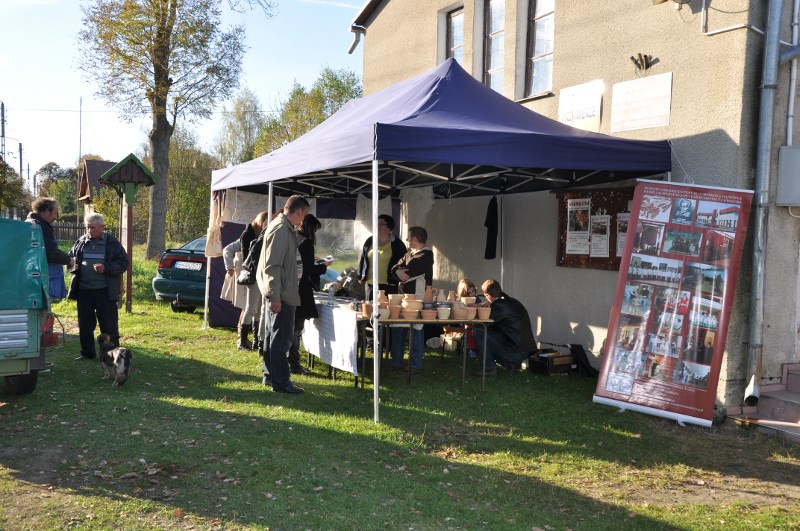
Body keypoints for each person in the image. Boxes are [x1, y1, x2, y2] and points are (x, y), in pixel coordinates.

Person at [257, 195, 310, 394]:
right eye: (303, 215)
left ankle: (270, 375)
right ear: (298, 212)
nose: (302, 220)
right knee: (281, 339)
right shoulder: (281, 229)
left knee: (273, 337)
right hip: (282, 294)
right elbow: (273, 266)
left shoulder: (280, 226)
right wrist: (275, 296)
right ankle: (281, 381)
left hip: (280, 292)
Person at [67, 212, 128, 360]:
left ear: (101, 227)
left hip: (105, 291)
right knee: (85, 325)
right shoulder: (81, 241)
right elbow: (69, 260)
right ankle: (87, 354)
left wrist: (106, 268)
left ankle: (112, 355)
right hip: (84, 291)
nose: (89, 231)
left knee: (109, 325)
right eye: (87, 228)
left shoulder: (112, 243)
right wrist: (73, 266)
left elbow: (123, 263)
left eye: (93, 228)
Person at [289, 213, 331, 375]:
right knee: (296, 328)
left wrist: (315, 262)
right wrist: (323, 266)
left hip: (292, 286)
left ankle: (291, 361)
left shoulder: (294, 237)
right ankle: (294, 363)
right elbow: (308, 269)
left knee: (292, 326)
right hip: (301, 289)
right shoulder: (305, 242)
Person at [389, 226, 434, 373]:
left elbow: (409, 271)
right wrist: (397, 271)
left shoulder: (426, 256)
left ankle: (416, 365)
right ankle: (396, 362)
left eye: (409, 237)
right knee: (399, 328)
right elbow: (395, 266)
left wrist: (400, 271)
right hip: (404, 297)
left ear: (415, 239)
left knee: (416, 329)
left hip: (417, 298)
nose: (407, 240)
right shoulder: (409, 254)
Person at [473, 279, 536, 377]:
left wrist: (478, 310)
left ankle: (489, 369)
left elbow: (483, 323)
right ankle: (511, 364)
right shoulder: (512, 301)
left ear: (488, 295)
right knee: (491, 333)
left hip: (516, 351)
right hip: (525, 349)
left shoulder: (499, 305)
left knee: (479, 331)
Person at [26, 197, 75, 300]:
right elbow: (51, 253)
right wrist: (69, 260)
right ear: (46, 211)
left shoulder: (29, 222)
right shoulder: (41, 226)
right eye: (55, 213)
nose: (56, 217)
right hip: (42, 279)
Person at [237, 211, 270, 350]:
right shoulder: (249, 234)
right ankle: (242, 341)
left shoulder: (260, 234)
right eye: (267, 222)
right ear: (262, 221)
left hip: (259, 275)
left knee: (257, 309)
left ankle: (256, 340)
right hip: (253, 275)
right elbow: (247, 258)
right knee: (251, 308)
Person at [357, 214, 407, 296]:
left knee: (387, 308)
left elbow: (403, 262)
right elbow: (363, 258)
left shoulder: (397, 244)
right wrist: (360, 275)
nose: (377, 226)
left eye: (381, 224)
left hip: (389, 285)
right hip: (371, 285)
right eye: (376, 223)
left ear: (389, 227)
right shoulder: (370, 241)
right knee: (370, 308)